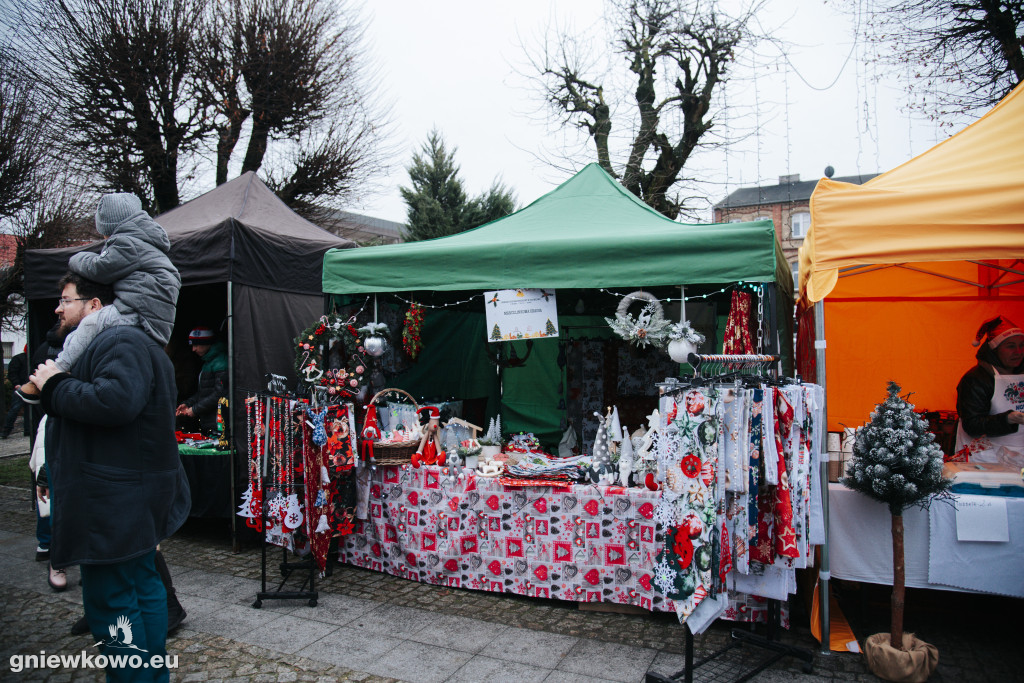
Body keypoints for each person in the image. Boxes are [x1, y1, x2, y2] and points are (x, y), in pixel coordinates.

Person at [28, 272, 190, 682]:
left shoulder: (119, 340)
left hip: (113, 501)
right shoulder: (126, 341)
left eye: (66, 299)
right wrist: (52, 469)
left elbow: (115, 402)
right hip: (120, 495)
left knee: (113, 599)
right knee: (140, 586)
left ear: (95, 306)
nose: (58, 307)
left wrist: (55, 385)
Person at [17, 192, 180, 404]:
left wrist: (76, 257)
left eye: (66, 300)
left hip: (138, 310)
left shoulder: (127, 244)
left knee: (91, 323)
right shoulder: (144, 242)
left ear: (110, 226)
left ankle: (57, 370)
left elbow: (99, 269)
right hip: (148, 309)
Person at [954, 315, 1024, 465]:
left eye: (1022, 345)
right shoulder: (975, 379)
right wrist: (1009, 419)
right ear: (995, 349)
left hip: (1020, 456)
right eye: (1011, 346)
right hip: (986, 459)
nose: (1018, 351)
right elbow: (972, 425)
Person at [175, 327, 228, 434]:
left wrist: (195, 410)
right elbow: (204, 392)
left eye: (196, 345)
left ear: (206, 343)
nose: (193, 349)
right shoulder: (207, 362)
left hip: (218, 423)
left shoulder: (221, 362)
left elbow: (220, 394)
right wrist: (188, 404)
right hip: (208, 422)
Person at [2, 345, 28, 438]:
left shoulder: (18, 358)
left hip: (20, 386)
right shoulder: (23, 358)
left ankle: (7, 430)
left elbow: (12, 372)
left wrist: (16, 384)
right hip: (23, 387)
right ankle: (27, 429)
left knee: (15, 409)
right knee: (17, 409)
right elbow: (13, 373)